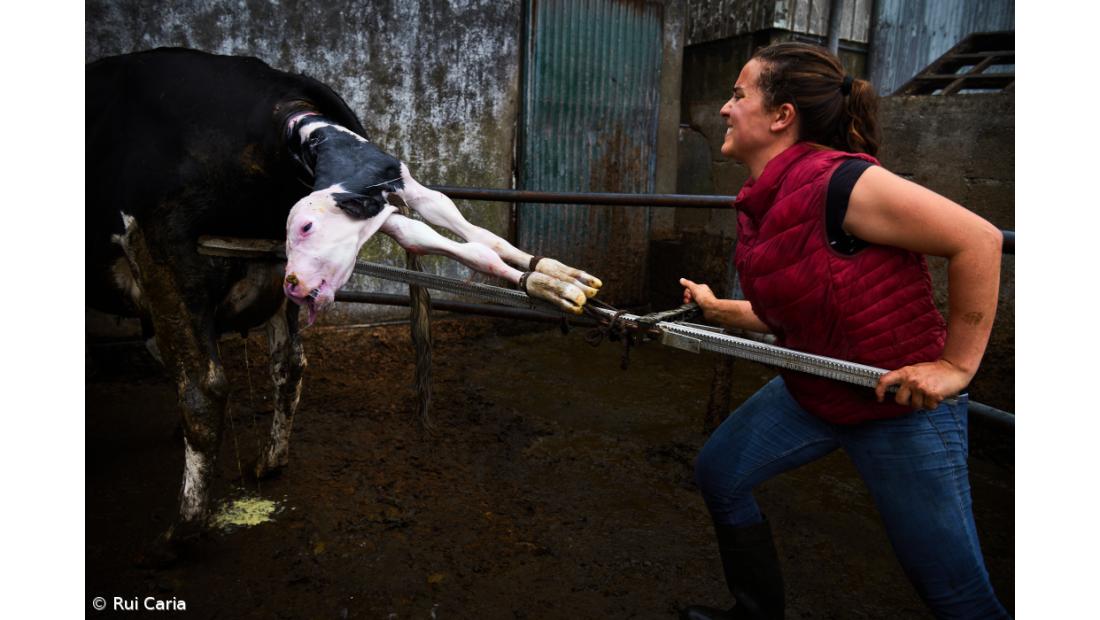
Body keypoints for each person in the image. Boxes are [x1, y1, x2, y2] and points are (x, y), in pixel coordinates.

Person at [677, 42, 1009, 619]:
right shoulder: (768, 195)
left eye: (738, 95)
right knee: (720, 474)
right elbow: (799, 308)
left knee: (954, 593)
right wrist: (719, 309)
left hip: (898, 407)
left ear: (781, 116)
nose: (726, 109)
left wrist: (955, 367)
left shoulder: (842, 183)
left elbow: (978, 240)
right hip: (817, 389)